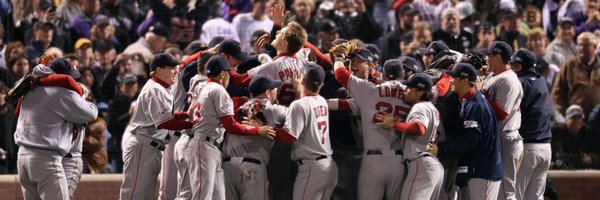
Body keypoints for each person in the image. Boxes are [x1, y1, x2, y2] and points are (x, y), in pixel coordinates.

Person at [187, 56, 275, 199]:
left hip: (209, 145)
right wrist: (258, 130)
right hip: (205, 144)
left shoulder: (204, 88)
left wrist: (240, 110)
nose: (230, 77)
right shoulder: (218, 90)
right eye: (228, 73)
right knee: (203, 196)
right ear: (222, 74)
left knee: (217, 196)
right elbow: (230, 126)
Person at [14, 58, 98, 200]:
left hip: (23, 158)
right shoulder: (62, 92)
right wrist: (82, 96)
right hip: (46, 159)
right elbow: (91, 113)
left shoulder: (31, 88)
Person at [119, 53, 194, 200]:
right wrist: (191, 124)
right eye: (171, 68)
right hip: (143, 145)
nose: (176, 71)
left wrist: (185, 114)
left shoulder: (162, 88)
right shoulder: (154, 89)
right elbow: (164, 122)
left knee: (146, 195)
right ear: (159, 70)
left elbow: (167, 117)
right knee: (135, 195)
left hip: (151, 147)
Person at [273, 63, 338, 200]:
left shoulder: (299, 105)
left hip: (312, 168)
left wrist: (264, 130)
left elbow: (289, 137)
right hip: (329, 166)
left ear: (302, 79)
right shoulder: (322, 101)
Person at [439, 63, 503, 200]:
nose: (451, 80)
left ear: (465, 80)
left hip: (482, 172)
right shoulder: (469, 100)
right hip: (476, 170)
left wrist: (440, 149)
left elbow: (469, 140)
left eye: (454, 77)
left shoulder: (475, 105)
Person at [375, 73, 444, 199]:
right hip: (434, 166)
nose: (405, 90)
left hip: (421, 164)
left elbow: (419, 128)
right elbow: (441, 136)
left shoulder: (420, 106)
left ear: (419, 92)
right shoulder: (432, 108)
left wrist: (394, 124)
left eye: (409, 88)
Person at [222, 75, 288, 200]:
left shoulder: (238, 109)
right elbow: (300, 113)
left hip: (227, 166)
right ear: (268, 92)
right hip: (252, 167)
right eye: (275, 89)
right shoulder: (273, 110)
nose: (277, 91)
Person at [482, 41, 524, 200]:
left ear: (498, 57)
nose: (486, 59)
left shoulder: (509, 80)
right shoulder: (494, 75)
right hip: (498, 138)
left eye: (489, 56)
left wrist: (482, 94)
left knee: (506, 192)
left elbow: (502, 113)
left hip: (507, 139)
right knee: (497, 189)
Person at [511, 49, 553, 200]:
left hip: (528, 147)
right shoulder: (541, 80)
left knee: (516, 195)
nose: (511, 68)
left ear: (520, 66)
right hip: (546, 148)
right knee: (536, 196)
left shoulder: (521, 83)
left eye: (514, 64)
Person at [552, 32, 600, 117]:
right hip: (576, 120)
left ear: (595, 47)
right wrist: (567, 113)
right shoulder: (569, 66)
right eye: (580, 45)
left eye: (586, 45)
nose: (581, 48)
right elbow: (557, 92)